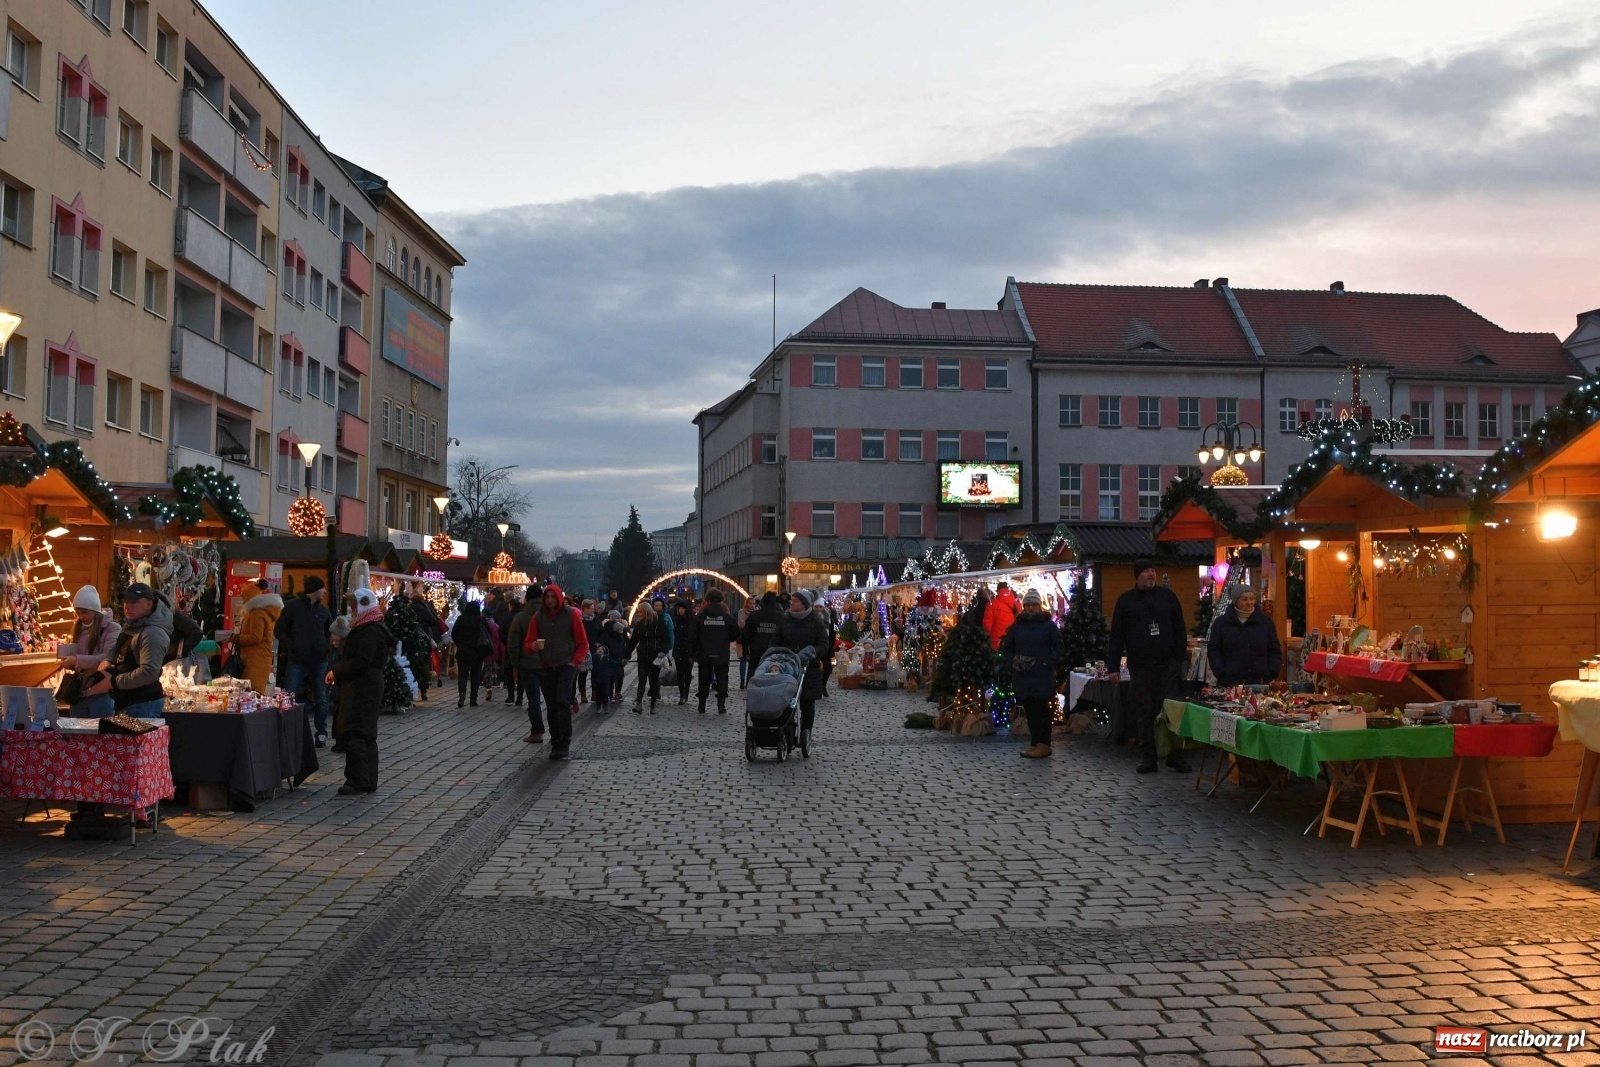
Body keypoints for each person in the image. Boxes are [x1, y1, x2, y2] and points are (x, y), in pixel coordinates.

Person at [1108, 559, 1191, 774]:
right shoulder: (1126, 601)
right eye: (1146, 571)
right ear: (1137, 576)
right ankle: (1148, 756)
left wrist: (1177, 658)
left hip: (1167, 665)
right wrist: (1113, 666)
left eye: (1153, 570)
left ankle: (1175, 755)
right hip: (1141, 666)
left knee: (1171, 709)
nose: (1151, 575)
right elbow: (1116, 635)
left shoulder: (1168, 597)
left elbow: (1180, 628)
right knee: (1145, 710)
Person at [328, 587, 393, 794]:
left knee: (355, 730)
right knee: (364, 733)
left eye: (354, 607)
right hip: (365, 685)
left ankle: (358, 779)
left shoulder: (369, 631)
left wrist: (337, 671)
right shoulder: (370, 628)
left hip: (362, 686)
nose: (352, 612)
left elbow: (361, 661)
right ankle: (366, 779)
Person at [82, 583, 172, 719]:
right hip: (128, 702)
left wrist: (115, 682)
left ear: (149, 604)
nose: (127, 606)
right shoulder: (132, 624)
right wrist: (108, 660)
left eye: (134, 602)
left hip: (142, 703)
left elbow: (149, 673)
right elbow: (117, 648)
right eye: (125, 602)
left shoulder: (153, 633)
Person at [526, 583, 589, 759]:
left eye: (553, 597)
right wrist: (533, 646)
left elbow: (583, 642)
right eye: (548, 597)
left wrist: (574, 662)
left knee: (562, 702)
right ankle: (555, 742)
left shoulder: (570, 615)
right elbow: (528, 643)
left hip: (566, 666)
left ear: (559, 598)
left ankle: (564, 742)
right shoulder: (538, 618)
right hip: (546, 666)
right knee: (552, 706)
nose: (551, 600)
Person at [999, 589, 1065, 758]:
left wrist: (1046, 663)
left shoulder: (1048, 625)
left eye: (1033, 604)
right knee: (1030, 710)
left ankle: (1044, 743)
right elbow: (1007, 648)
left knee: (1042, 710)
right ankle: (1034, 742)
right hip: (1023, 675)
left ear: (1039, 605)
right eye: (1027, 604)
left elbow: (1058, 647)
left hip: (1041, 675)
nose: (1030, 608)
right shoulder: (1016, 626)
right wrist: (1013, 662)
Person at [276, 575, 334, 747]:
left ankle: (321, 732)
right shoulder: (292, 607)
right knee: (290, 695)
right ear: (314, 590)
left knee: (321, 697)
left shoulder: (323, 611)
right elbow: (279, 630)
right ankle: (285, 730)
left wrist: (326, 648)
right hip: (298, 659)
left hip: (319, 660)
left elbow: (328, 631)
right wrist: (291, 647)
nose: (324, 591)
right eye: (322, 588)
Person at [774, 589, 829, 745]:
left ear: (805, 604)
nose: (791, 603)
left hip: (808, 667)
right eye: (791, 600)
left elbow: (823, 645)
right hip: (787, 665)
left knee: (807, 702)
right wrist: (776, 654)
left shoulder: (816, 621)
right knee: (785, 701)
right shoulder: (784, 620)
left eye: (796, 601)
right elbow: (775, 640)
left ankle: (806, 732)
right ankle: (786, 730)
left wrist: (812, 652)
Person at [59, 585, 121, 719]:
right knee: (78, 735)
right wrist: (70, 663)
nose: (81, 617)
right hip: (79, 693)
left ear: (94, 610)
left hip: (101, 692)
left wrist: (77, 660)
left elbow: (107, 658)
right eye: (78, 613)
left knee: (101, 734)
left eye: (84, 612)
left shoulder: (112, 629)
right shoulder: (78, 629)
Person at [1207, 586, 1282, 686]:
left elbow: (1274, 649)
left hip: (1261, 681)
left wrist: (1272, 671)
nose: (1249, 602)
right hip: (1230, 682)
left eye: (1252, 599)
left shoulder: (1266, 623)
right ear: (1235, 601)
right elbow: (1214, 650)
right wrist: (1221, 673)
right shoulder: (1221, 624)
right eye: (1245, 599)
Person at [691, 588, 737, 714]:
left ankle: (702, 704)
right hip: (722, 653)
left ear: (707, 600)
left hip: (704, 653)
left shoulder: (700, 617)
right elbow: (735, 634)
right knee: (722, 678)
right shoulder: (727, 618)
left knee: (704, 678)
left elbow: (693, 636)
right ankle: (721, 704)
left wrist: (693, 653)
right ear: (721, 600)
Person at [236, 579, 283, 695]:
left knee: (253, 692)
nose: (243, 601)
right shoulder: (262, 612)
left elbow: (256, 637)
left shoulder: (257, 613)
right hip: (258, 657)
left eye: (244, 598)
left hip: (255, 660)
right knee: (253, 693)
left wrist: (235, 638)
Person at [506, 590, 541, 734]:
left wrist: (515, 663)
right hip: (548, 663)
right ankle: (556, 734)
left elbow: (512, 643)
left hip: (527, 663)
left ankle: (537, 731)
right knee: (553, 699)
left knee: (533, 699)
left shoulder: (521, 617)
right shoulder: (548, 615)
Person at [627, 604, 670, 713]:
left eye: (641, 612)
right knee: (642, 680)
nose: (639, 614)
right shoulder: (639, 624)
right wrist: (626, 654)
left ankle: (653, 704)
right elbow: (633, 641)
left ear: (646, 612)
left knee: (653, 681)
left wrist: (663, 651)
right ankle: (639, 704)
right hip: (642, 655)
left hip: (655, 656)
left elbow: (666, 639)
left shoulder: (659, 622)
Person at [452, 600, 493, 707]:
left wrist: (459, 643)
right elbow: (488, 634)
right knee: (475, 675)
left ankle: (462, 696)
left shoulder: (461, 619)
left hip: (463, 651)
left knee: (463, 675)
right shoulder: (481, 620)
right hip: (477, 652)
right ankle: (473, 699)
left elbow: (454, 634)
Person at [740, 591, 783, 679]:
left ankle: (752, 688)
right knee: (772, 673)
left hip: (756, 649)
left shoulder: (754, 615)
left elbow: (746, 634)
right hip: (773, 651)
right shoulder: (780, 617)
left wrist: (745, 649)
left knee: (753, 672)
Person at [594, 609, 628, 709]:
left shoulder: (620, 636)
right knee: (611, 678)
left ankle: (618, 692)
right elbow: (602, 643)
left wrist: (626, 655)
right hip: (610, 658)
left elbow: (624, 645)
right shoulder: (606, 633)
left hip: (619, 658)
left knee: (620, 676)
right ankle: (610, 694)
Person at [983, 581, 1022, 652]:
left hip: (996, 641)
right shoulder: (1017, 605)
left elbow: (987, 625)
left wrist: (987, 637)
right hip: (1013, 640)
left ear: (998, 590)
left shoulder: (992, 604)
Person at [669, 599, 695, 704]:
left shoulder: (692, 621)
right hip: (678, 650)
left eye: (683, 608)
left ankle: (686, 692)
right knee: (680, 674)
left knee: (687, 674)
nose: (680, 610)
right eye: (679, 608)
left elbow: (694, 637)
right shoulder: (675, 620)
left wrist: (693, 652)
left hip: (689, 652)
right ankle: (682, 695)